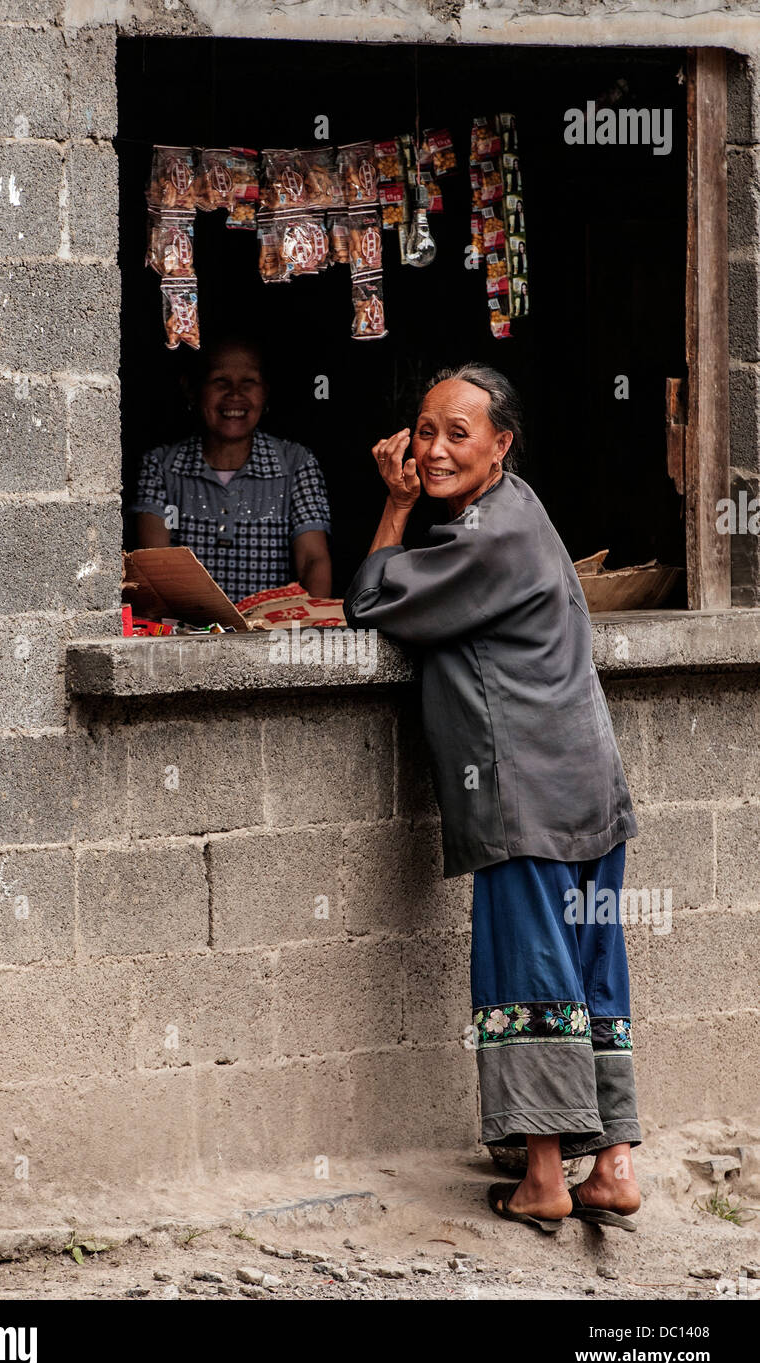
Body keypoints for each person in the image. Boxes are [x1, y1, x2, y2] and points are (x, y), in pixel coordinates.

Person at [344, 363, 642, 1234]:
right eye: (424, 430)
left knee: (531, 973)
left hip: (525, 799)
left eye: (457, 435)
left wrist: (394, 509)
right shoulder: (517, 511)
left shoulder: (484, 539)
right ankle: (614, 1165)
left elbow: (372, 599)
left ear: (502, 445)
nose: (433, 450)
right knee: (592, 968)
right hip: (587, 792)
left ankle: (545, 1177)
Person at [131, 335, 332, 602]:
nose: (235, 394)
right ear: (193, 390)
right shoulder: (162, 466)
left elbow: (313, 560)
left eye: (249, 382)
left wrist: (308, 631)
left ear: (266, 391)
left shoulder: (295, 464)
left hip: (269, 633)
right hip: (186, 634)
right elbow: (153, 566)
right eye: (219, 381)